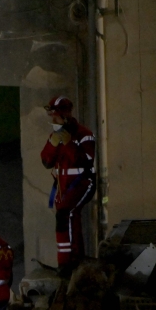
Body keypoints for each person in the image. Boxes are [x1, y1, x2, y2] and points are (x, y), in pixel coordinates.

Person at [40, 95, 96, 274]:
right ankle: (70, 260)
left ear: (65, 116)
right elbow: (46, 161)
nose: (52, 120)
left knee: (66, 214)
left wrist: (69, 143)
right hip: (63, 187)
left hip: (82, 184)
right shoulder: (55, 136)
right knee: (68, 217)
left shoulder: (84, 135)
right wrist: (52, 143)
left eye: (55, 116)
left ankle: (70, 261)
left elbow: (87, 161)